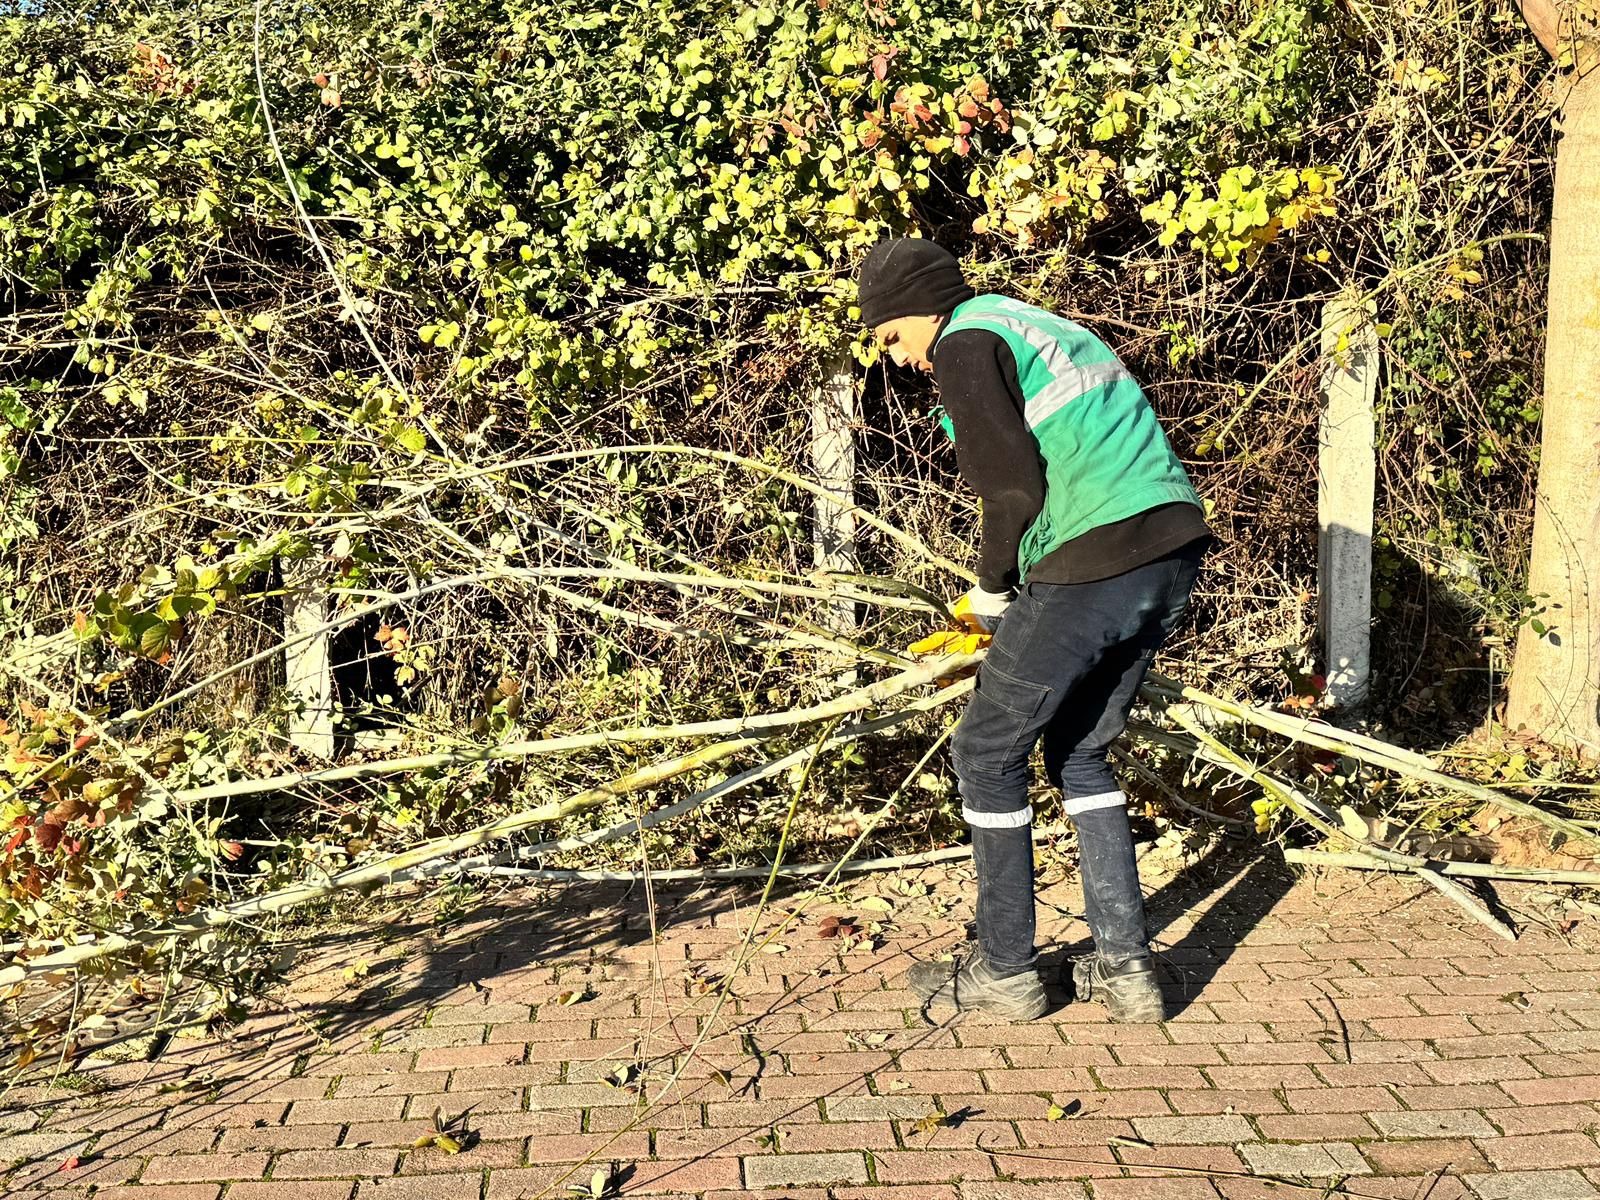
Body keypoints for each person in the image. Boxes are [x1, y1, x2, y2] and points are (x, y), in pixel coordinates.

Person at [856, 237, 1212, 1022]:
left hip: (1094, 556)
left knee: (984, 753)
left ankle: (1007, 971)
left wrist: (990, 592)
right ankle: (1128, 975)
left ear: (922, 304)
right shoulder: (1032, 325)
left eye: (891, 336)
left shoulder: (964, 340)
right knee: (1081, 752)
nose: (900, 357)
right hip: (1169, 550)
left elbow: (1010, 486)